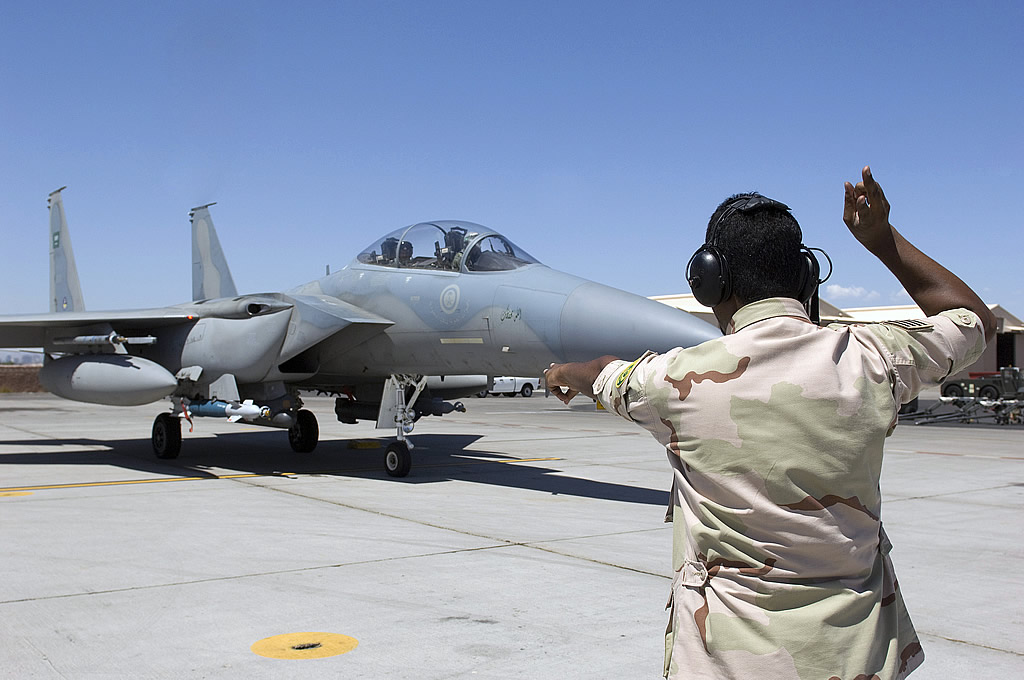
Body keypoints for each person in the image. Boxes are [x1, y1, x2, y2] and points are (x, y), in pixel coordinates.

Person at [544, 166, 996, 679]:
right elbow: (974, 320)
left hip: (729, 662)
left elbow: (604, 374)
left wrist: (563, 372)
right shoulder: (875, 358)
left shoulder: (673, 380)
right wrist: (881, 240)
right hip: (858, 657)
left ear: (710, 280)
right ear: (805, 278)